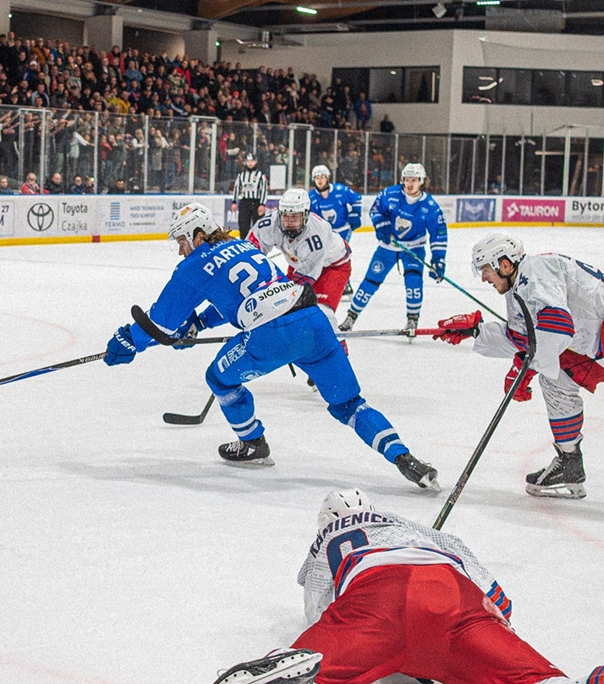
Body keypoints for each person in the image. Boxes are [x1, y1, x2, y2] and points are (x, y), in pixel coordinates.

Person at [103, 203, 438, 490]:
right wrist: (200, 322)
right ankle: (405, 458)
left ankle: (251, 443)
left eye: (181, 241)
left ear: (198, 234)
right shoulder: (245, 248)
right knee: (351, 405)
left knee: (220, 379)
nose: (180, 250)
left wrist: (127, 340)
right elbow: (242, 293)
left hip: (270, 336)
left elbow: (161, 322)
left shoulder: (193, 264)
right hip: (314, 323)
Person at [214, 489, 594, 684]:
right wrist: (495, 620)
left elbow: (318, 601)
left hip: (379, 595)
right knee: (528, 676)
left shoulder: (326, 539)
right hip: (452, 591)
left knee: (318, 664)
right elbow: (464, 555)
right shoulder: (406, 525)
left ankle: (294, 668)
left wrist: (321, 635)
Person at [434, 234, 604, 499]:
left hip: (595, 338)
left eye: (486, 270)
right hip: (594, 342)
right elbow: (523, 337)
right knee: (555, 380)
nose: (483, 279)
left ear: (504, 264)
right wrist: (476, 331)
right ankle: (570, 463)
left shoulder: (535, 274)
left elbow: (557, 329)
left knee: (551, 374)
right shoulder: (521, 285)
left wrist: (523, 368)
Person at [338, 162, 446, 335]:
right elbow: (376, 210)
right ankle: (351, 317)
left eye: (415, 180)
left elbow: (439, 233)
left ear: (422, 181)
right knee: (370, 282)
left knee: (414, 282)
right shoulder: (390, 194)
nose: (410, 184)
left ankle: (412, 320)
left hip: (414, 249)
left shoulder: (430, 206)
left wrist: (438, 259)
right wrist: (382, 227)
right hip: (387, 248)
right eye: (407, 179)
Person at [248, 188, 351, 334]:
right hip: (297, 262)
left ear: (306, 215)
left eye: (295, 217)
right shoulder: (269, 224)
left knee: (322, 317)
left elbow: (302, 282)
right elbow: (249, 254)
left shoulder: (318, 234)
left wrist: (275, 295)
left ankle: (338, 352)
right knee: (285, 313)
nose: (289, 222)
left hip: (333, 267)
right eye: (285, 216)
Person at [308, 165, 362, 299]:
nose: (320, 180)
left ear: (327, 178)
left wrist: (355, 215)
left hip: (342, 230)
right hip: (325, 233)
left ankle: (345, 284)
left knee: (339, 255)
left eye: (322, 177)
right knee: (323, 257)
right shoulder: (311, 197)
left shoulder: (340, 190)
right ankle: (327, 283)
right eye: (317, 178)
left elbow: (357, 199)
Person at [232, 153, 268, 239]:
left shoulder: (260, 175)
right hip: (245, 201)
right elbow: (237, 187)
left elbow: (264, 189)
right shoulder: (241, 175)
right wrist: (234, 201)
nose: (250, 163)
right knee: (243, 225)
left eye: (252, 161)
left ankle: (258, 245)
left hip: (256, 202)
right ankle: (243, 243)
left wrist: (262, 204)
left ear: (255, 162)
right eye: (248, 161)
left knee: (258, 225)